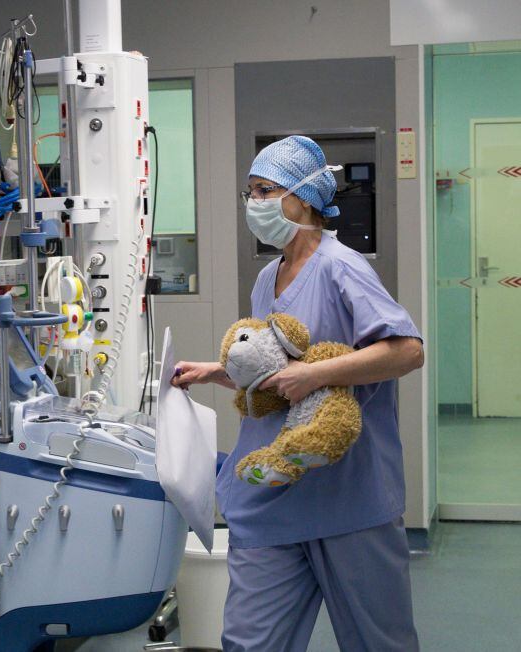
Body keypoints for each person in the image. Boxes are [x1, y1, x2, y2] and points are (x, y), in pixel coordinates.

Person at [172, 135, 424, 652]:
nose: (254, 204)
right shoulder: (268, 278)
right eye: (250, 192)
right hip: (272, 502)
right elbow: (278, 371)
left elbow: (406, 351)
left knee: (379, 643)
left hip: (348, 499)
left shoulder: (342, 267)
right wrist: (219, 372)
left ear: (303, 199)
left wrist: (316, 377)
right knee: (250, 642)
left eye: (265, 190)